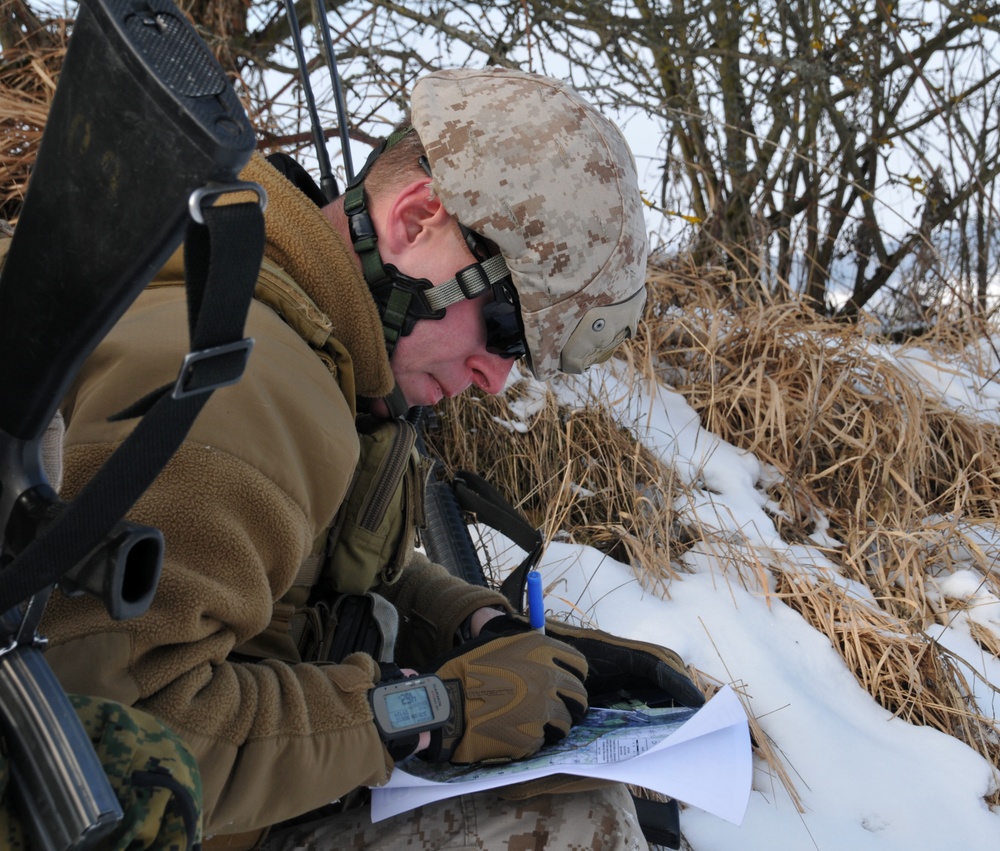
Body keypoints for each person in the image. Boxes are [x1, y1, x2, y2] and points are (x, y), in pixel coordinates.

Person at [40, 67, 703, 850]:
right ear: (418, 220)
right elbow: (101, 747)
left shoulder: (311, 340)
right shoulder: (245, 390)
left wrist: (469, 625)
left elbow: (312, 573)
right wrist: (431, 711)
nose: (496, 377)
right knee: (578, 824)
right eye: (506, 326)